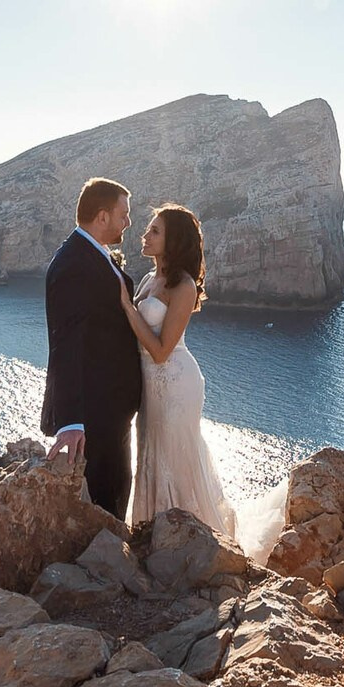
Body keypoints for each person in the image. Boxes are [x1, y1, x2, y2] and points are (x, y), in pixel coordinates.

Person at [117, 203, 238, 538]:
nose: (145, 234)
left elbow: (159, 351)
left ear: (174, 241)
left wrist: (126, 305)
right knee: (151, 453)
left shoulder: (184, 286)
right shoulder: (147, 278)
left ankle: (188, 539)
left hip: (175, 382)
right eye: (148, 228)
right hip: (149, 386)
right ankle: (151, 534)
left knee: (173, 456)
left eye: (155, 230)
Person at [40, 177, 144, 517]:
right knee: (105, 504)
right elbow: (66, 343)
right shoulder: (74, 265)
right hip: (96, 414)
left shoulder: (91, 255)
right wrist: (70, 421)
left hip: (111, 410)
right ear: (102, 216)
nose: (128, 222)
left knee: (116, 495)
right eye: (123, 214)